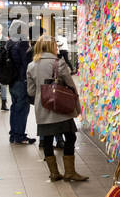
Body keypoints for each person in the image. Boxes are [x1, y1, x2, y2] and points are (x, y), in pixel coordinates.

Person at [26, 36, 86, 182]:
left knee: (47, 140)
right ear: (51, 46)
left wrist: (43, 96)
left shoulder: (31, 65)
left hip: (43, 108)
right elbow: (70, 84)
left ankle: (54, 173)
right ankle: (70, 172)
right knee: (70, 137)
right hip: (61, 108)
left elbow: (31, 91)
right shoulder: (58, 63)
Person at [4, 31, 35, 145]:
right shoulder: (22, 43)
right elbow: (26, 62)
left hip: (12, 80)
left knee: (15, 107)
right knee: (22, 109)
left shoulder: (9, 43)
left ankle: (13, 134)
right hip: (21, 80)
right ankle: (20, 136)